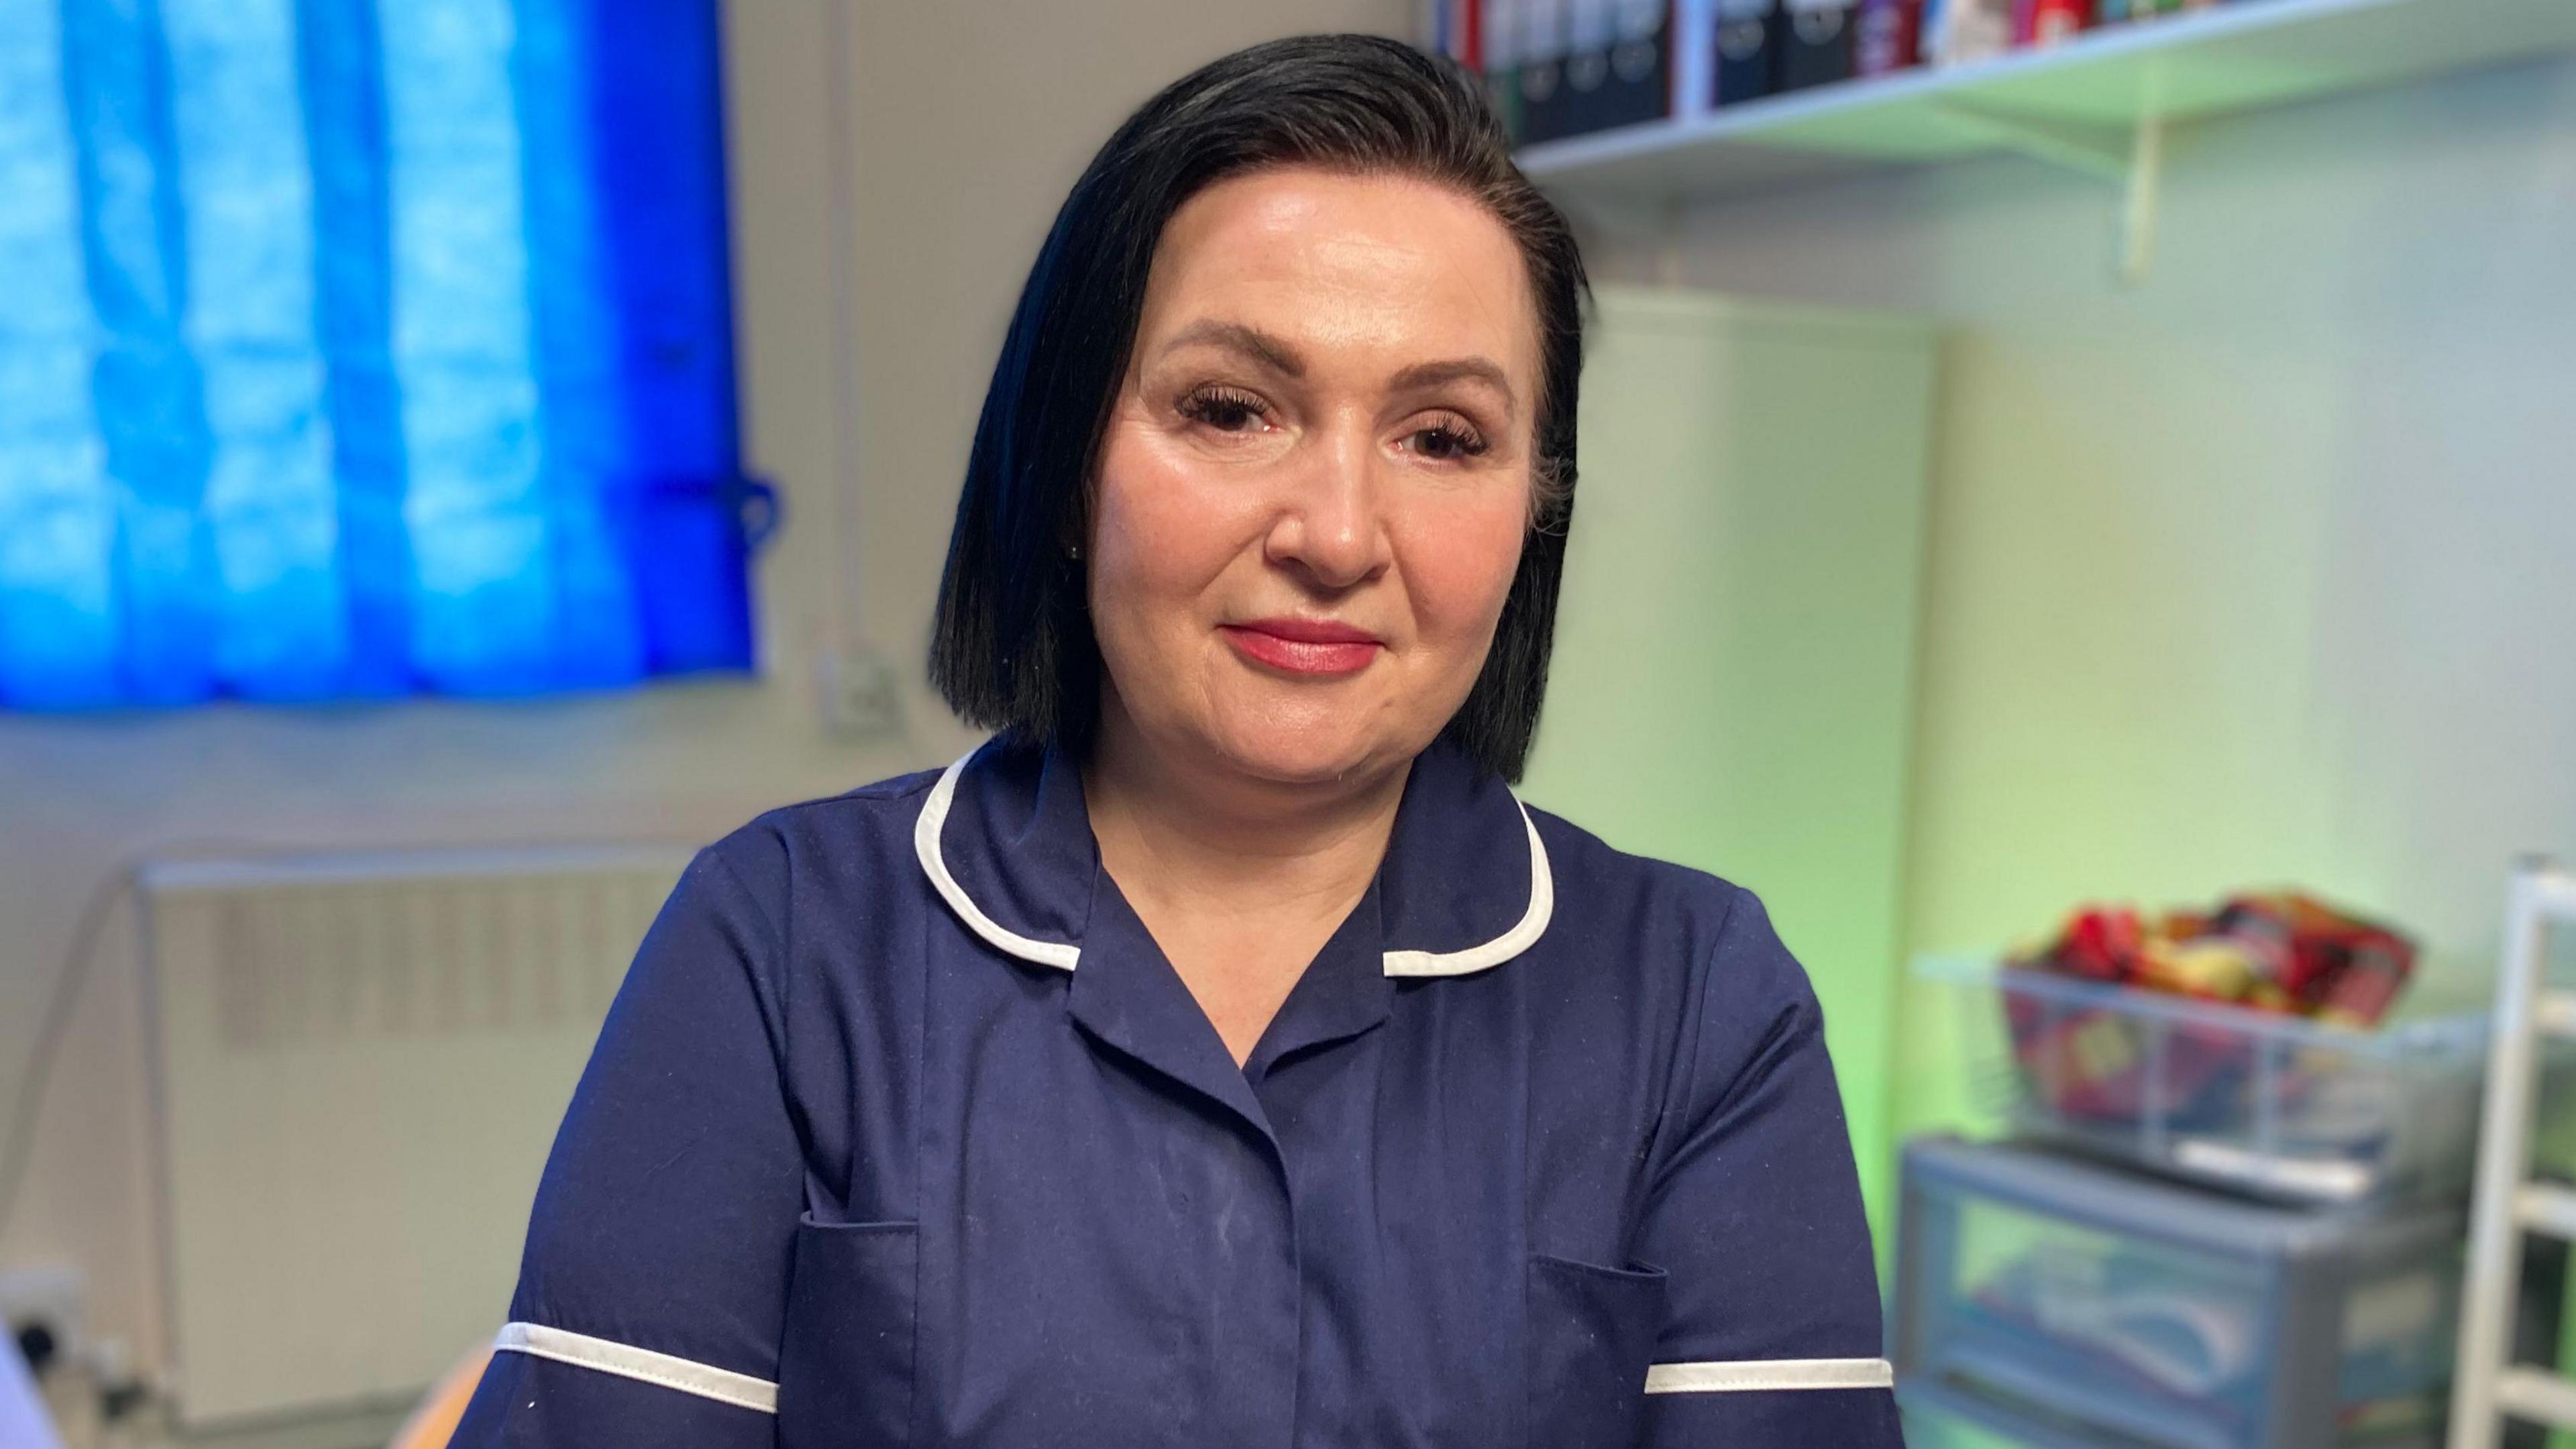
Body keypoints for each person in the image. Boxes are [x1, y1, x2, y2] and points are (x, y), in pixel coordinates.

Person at [452, 33, 1900, 1449]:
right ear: (1071, 463)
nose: (1336, 535)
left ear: (1536, 511)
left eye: (1443, 436)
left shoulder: (1703, 1003)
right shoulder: (784, 941)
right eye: (1230, 409)